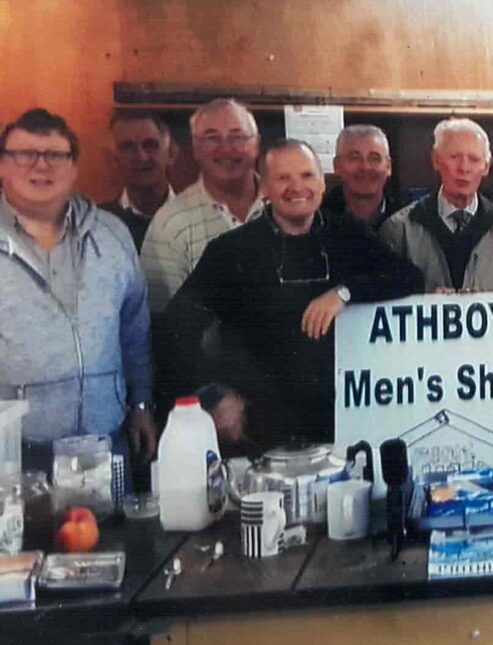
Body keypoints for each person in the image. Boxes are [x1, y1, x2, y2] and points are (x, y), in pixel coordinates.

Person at [161, 139, 422, 444]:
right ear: (264, 189)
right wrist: (213, 394)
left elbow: (408, 277)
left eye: (307, 176)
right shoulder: (231, 252)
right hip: (259, 428)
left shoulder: (347, 235)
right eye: (283, 178)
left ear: (323, 184)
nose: (297, 187)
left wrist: (345, 293)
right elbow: (175, 330)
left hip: (342, 425)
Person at [0, 108, 156, 473]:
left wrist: (142, 406)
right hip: (16, 454)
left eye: (56, 155)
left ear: (73, 167)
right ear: (2, 166)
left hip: (108, 442)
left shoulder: (112, 234)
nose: (41, 167)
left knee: (112, 532)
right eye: (24, 155)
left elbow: (135, 333)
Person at [379, 117, 493, 292]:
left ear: (486, 167)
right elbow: (381, 298)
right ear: (436, 160)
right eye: (455, 157)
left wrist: (485, 307)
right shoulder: (399, 230)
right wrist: (426, 301)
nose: (464, 168)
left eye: (474, 159)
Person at [141, 98, 265, 312]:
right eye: (212, 138)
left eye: (237, 136)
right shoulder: (169, 223)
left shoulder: (287, 207)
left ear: (256, 145)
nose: (226, 148)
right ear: (196, 148)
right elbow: (161, 317)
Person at [99, 109, 178, 252]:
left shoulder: (201, 220)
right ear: (113, 160)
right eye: (128, 148)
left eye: (150, 145)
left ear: (171, 154)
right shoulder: (97, 225)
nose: (141, 157)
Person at [321, 124, 404, 236]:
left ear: (388, 167)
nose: (365, 167)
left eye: (374, 158)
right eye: (354, 158)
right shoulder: (317, 221)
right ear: (337, 166)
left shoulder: (409, 223)